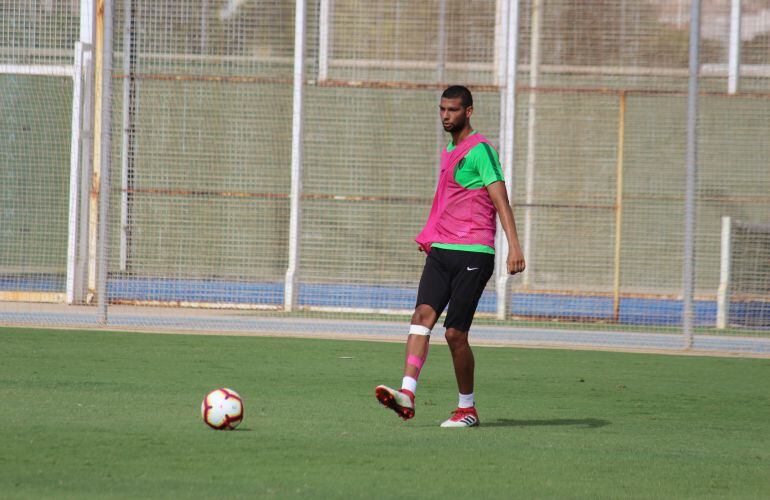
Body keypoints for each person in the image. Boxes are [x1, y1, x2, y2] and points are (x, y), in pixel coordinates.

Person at [375, 85, 525, 428]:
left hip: (474, 251)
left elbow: (499, 198)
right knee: (421, 315)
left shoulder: (481, 150)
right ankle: (406, 394)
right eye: (442, 109)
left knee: (455, 334)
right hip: (443, 249)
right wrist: (431, 234)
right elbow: (450, 199)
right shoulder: (449, 150)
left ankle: (467, 407)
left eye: (453, 110)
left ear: (468, 112)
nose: (446, 115)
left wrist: (513, 245)